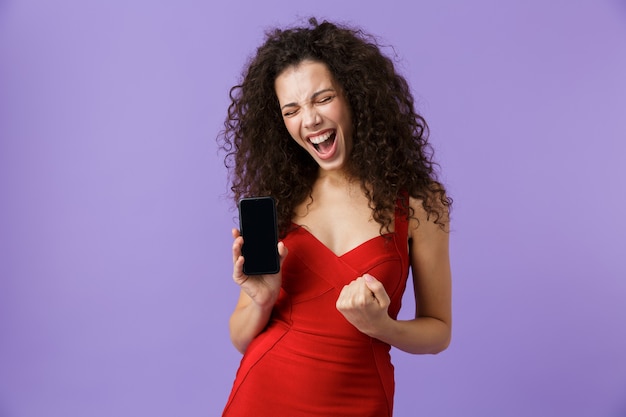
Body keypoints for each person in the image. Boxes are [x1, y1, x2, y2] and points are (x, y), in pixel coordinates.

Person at [218, 17, 452, 417]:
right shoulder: (279, 201)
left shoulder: (417, 204)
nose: (309, 120)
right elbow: (242, 338)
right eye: (291, 109)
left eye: (322, 98)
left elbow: (438, 331)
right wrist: (262, 299)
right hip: (263, 392)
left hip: (359, 399)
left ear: (356, 96)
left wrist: (384, 328)